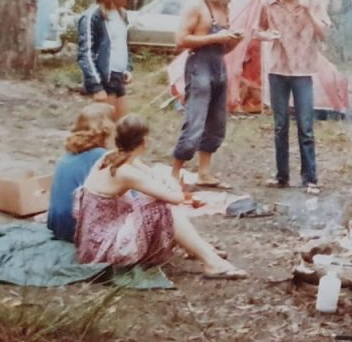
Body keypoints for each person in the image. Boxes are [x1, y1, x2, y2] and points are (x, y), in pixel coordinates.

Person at [73, 114, 246, 279]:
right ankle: (211, 261)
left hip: (93, 241)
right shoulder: (125, 172)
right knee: (162, 207)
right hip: (103, 247)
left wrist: (165, 180)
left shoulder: (112, 157)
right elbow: (175, 198)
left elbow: (151, 174)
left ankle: (202, 250)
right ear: (144, 141)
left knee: (156, 203)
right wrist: (173, 181)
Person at [256, 0, 331, 195]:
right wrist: (268, 36)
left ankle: (310, 178)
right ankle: (281, 176)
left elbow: (323, 34)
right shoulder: (269, 3)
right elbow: (256, 30)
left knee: (305, 126)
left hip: (303, 70)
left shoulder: (313, 1)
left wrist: (308, 11)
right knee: (280, 126)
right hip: (278, 69)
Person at [171, 0, 243, 189]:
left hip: (218, 67)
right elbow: (181, 40)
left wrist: (233, 40)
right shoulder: (197, 7)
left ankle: (204, 173)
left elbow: (223, 49)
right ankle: (175, 173)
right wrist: (213, 38)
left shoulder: (225, 9)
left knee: (216, 124)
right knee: (195, 122)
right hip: (198, 66)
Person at [47, 103, 115, 242]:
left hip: (55, 223)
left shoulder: (68, 154)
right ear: (106, 129)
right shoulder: (101, 156)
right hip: (75, 228)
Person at [77, 0, 133, 121]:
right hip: (103, 78)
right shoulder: (92, 16)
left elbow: (123, 45)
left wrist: (127, 68)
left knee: (122, 126)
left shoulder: (123, 15)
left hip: (118, 78)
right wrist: (96, 86)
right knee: (104, 129)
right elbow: (85, 54)